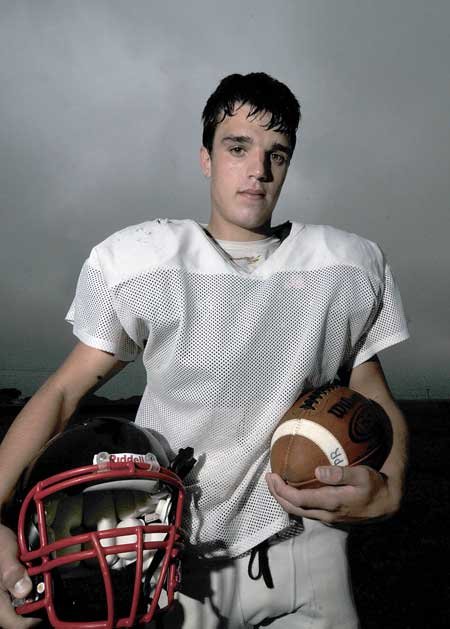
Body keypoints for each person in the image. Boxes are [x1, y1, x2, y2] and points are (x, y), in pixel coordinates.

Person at [0, 72, 410, 628]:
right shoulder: (144, 262)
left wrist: (392, 486)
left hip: (300, 541)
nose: (258, 170)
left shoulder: (347, 266)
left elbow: (371, 393)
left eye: (277, 154)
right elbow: (65, 389)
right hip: (173, 545)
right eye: (238, 147)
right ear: (206, 158)